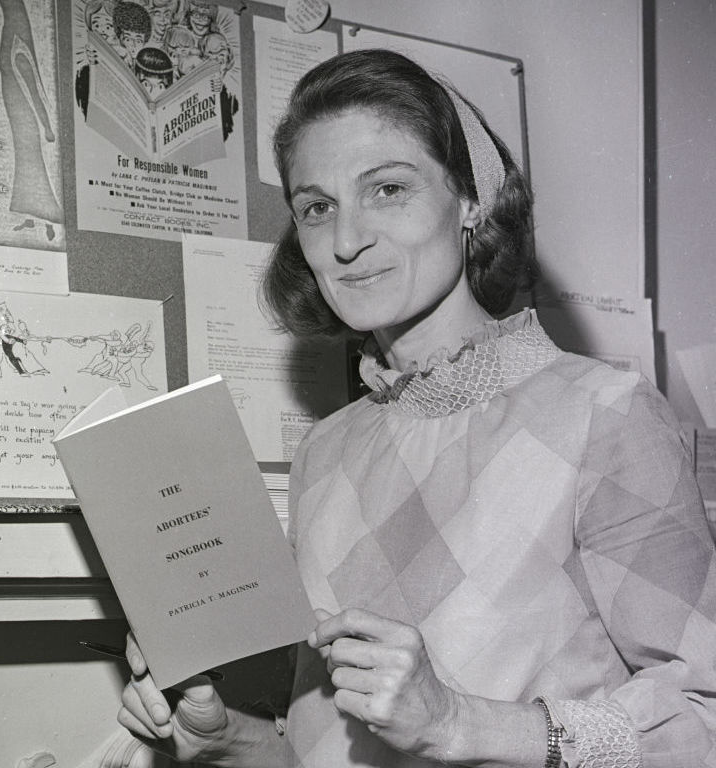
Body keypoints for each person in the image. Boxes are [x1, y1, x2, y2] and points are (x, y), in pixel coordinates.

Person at [109, 49, 716, 768]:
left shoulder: (607, 415)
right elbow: (325, 750)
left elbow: (704, 718)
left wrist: (459, 725)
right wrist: (226, 740)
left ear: (470, 200)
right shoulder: (326, 452)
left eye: (388, 189)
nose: (346, 240)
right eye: (317, 207)